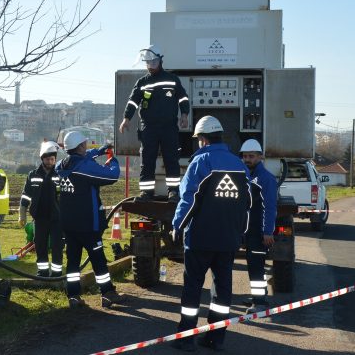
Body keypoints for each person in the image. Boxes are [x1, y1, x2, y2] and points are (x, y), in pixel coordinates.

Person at [171, 116, 252, 351]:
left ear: (203, 140)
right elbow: (247, 203)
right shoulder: (239, 165)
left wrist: (177, 226)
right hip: (228, 239)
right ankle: (216, 337)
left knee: (193, 287)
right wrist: (241, 233)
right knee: (223, 289)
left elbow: (189, 199)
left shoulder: (200, 162)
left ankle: (186, 337)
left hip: (200, 238)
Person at [55, 131, 125, 308]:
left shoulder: (60, 166)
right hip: (88, 224)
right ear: (80, 146)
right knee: (98, 260)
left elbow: (80, 159)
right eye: (85, 144)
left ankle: (73, 296)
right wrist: (112, 159)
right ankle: (107, 293)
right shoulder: (84, 168)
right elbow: (111, 176)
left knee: (72, 261)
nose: (87, 146)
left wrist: (99, 151)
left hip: (69, 225)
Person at [118, 44, 190, 203]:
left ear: (160, 61)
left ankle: (173, 192)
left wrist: (184, 115)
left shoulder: (172, 80)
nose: (151, 66)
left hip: (169, 127)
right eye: (148, 63)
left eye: (154, 62)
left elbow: (183, 98)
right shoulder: (142, 82)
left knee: (171, 159)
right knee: (147, 160)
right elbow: (133, 102)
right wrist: (126, 118)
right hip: (148, 127)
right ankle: (146, 193)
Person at [239, 139, 277, 313]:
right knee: (253, 265)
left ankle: (260, 303)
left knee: (257, 266)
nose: (247, 159)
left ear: (260, 157)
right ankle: (258, 296)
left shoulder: (266, 179)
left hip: (258, 232)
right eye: (245, 156)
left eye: (251, 156)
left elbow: (270, 208)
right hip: (248, 230)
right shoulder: (246, 176)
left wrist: (268, 232)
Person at [19, 141, 63, 277]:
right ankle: (42, 271)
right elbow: (26, 196)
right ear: (42, 159)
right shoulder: (33, 175)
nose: (50, 162)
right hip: (39, 217)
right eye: (47, 159)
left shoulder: (60, 174)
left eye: (52, 159)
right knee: (40, 245)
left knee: (57, 246)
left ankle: (57, 273)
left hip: (57, 218)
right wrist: (22, 214)